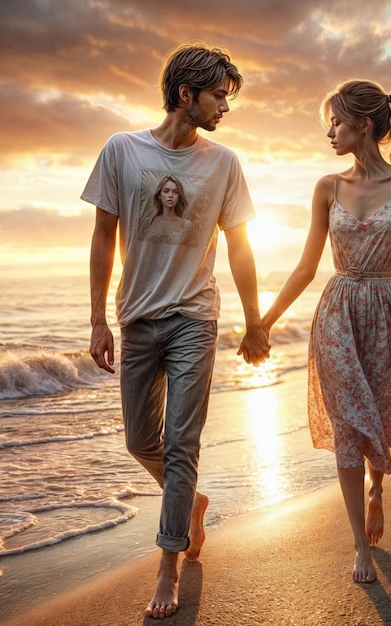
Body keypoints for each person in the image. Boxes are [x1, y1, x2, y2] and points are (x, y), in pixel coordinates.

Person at [82, 43, 270, 619]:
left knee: (182, 444)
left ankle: (169, 563)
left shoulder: (224, 161)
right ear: (185, 94)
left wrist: (255, 319)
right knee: (141, 441)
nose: (225, 108)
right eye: (218, 96)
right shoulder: (122, 150)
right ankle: (190, 502)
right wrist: (96, 318)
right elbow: (102, 236)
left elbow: (240, 247)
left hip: (195, 317)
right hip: (137, 318)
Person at [258, 79, 391, 584]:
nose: (330, 132)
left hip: (386, 311)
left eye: (337, 122)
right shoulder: (327, 186)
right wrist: (264, 321)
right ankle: (358, 547)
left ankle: (377, 489)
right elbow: (306, 267)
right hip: (338, 312)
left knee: (382, 415)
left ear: (363, 125)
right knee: (349, 425)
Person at [141, 175, 196, 246]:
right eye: (166, 191)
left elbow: (193, 254)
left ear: (179, 196)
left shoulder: (187, 226)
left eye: (175, 192)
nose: (170, 195)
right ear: (159, 195)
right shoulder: (148, 223)